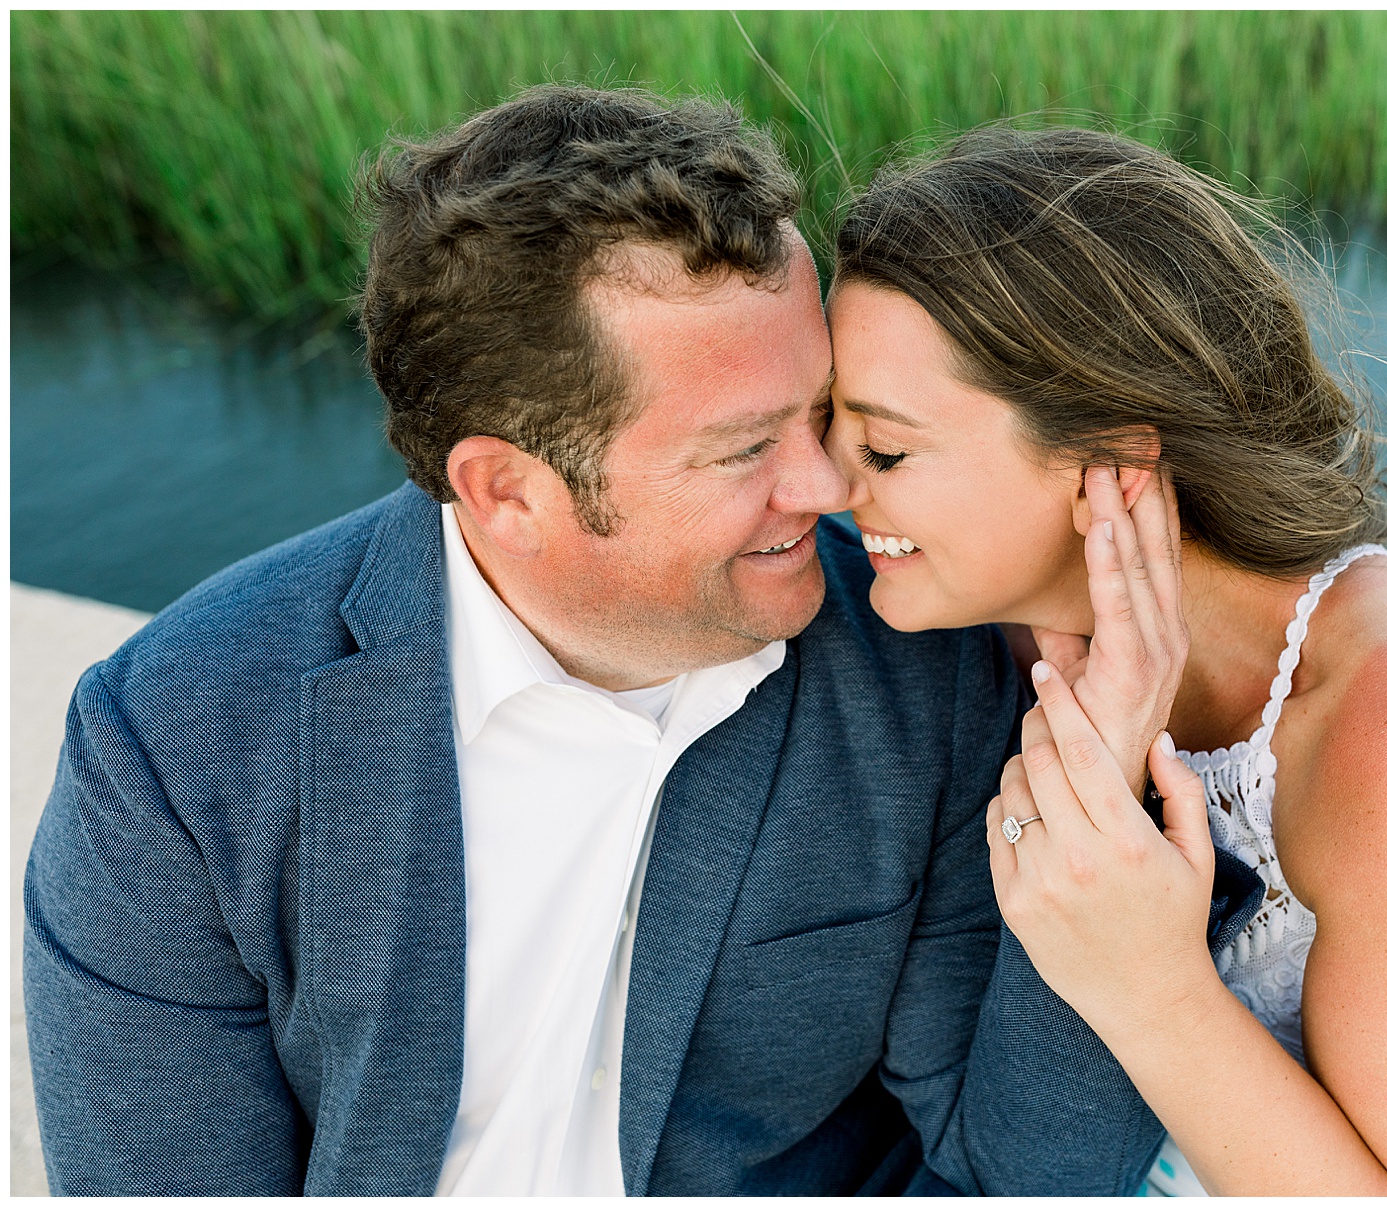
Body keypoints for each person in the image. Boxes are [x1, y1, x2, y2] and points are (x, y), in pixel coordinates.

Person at [22, 88, 1260, 1196]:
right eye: (741, 451)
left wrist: (1097, 781)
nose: (828, 485)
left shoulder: (919, 670)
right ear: (506, 489)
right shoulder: (175, 748)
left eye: (822, 414)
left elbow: (1013, 1169)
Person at [822, 124, 1387, 1196]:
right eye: (823, 423)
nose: (827, 484)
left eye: (881, 448)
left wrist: (1148, 981)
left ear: (1107, 462)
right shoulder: (1001, 628)